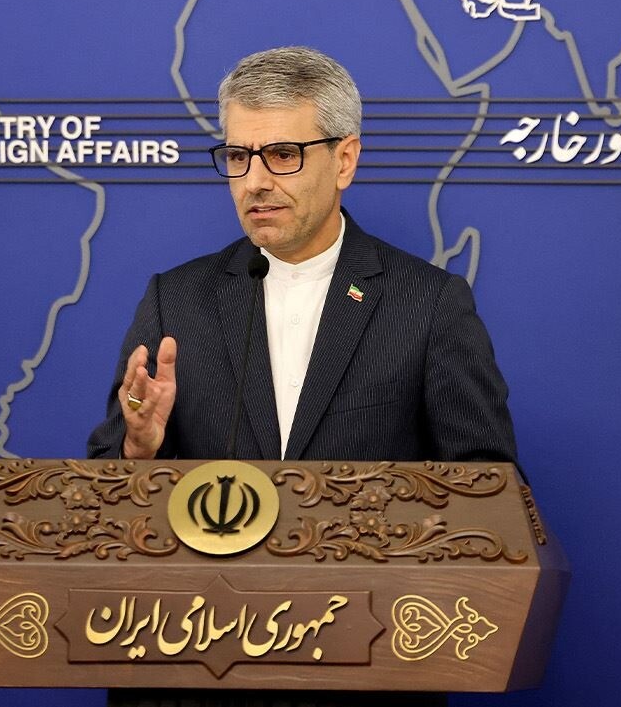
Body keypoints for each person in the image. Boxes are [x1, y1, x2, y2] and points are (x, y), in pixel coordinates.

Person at [86, 46, 519, 707]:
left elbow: (487, 494)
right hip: (195, 676)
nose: (254, 181)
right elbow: (99, 496)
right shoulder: (177, 299)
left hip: (365, 680)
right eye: (238, 157)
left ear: (344, 159)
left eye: (282, 154)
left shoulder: (427, 305)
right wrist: (138, 451)